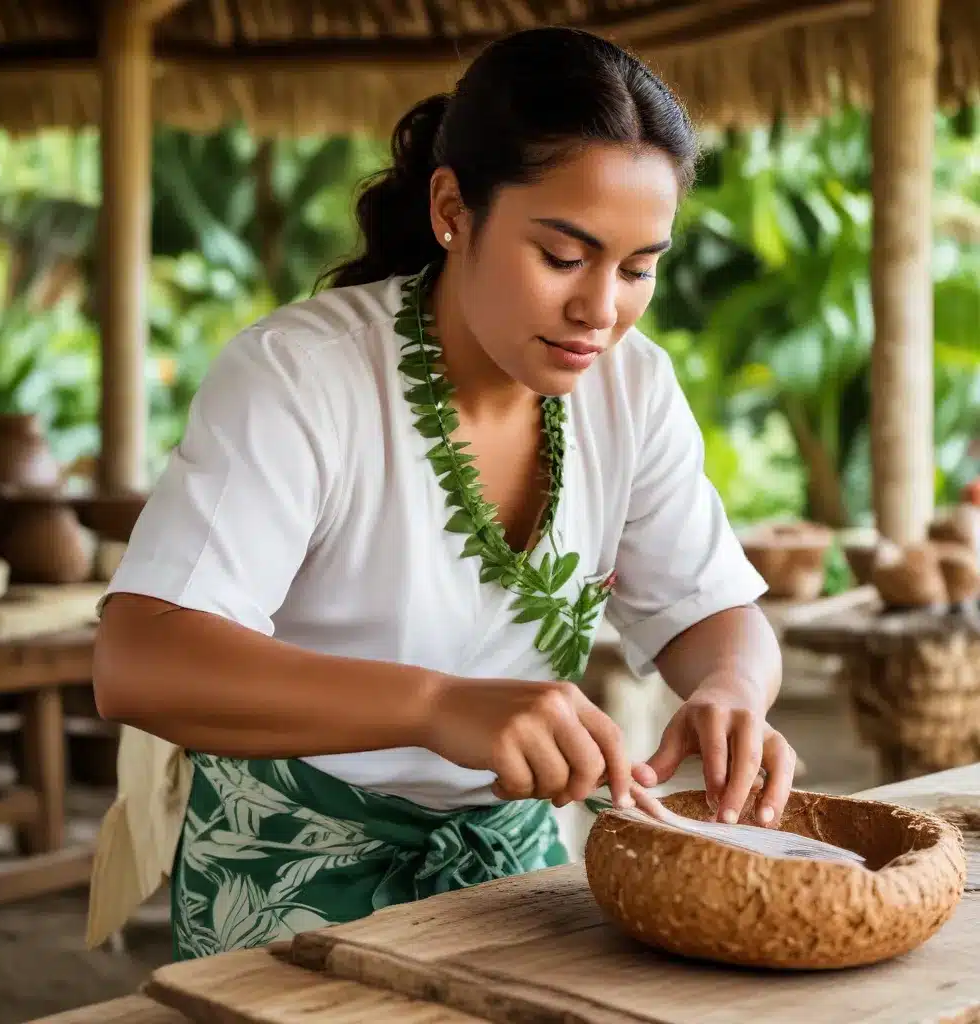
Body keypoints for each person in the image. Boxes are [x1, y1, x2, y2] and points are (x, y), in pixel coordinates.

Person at [86, 25, 794, 961]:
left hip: (509, 867)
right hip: (288, 866)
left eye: (637, 269)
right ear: (454, 209)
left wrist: (732, 689)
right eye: (563, 255)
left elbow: (710, 610)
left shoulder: (633, 385)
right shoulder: (303, 375)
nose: (601, 310)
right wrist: (436, 707)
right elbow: (140, 662)